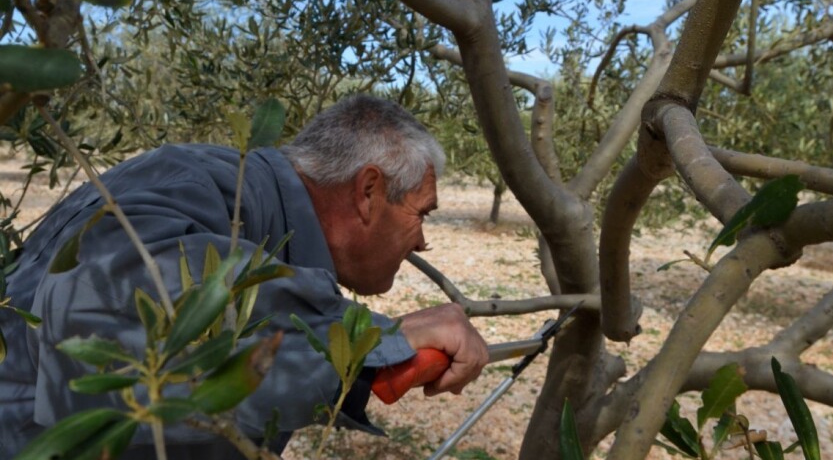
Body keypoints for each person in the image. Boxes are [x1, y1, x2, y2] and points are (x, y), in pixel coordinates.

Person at [0, 94, 489, 458]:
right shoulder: (203, 184)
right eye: (421, 214)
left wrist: (369, 361)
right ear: (367, 192)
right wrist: (375, 340)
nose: (423, 241)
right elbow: (100, 315)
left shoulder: (243, 197)